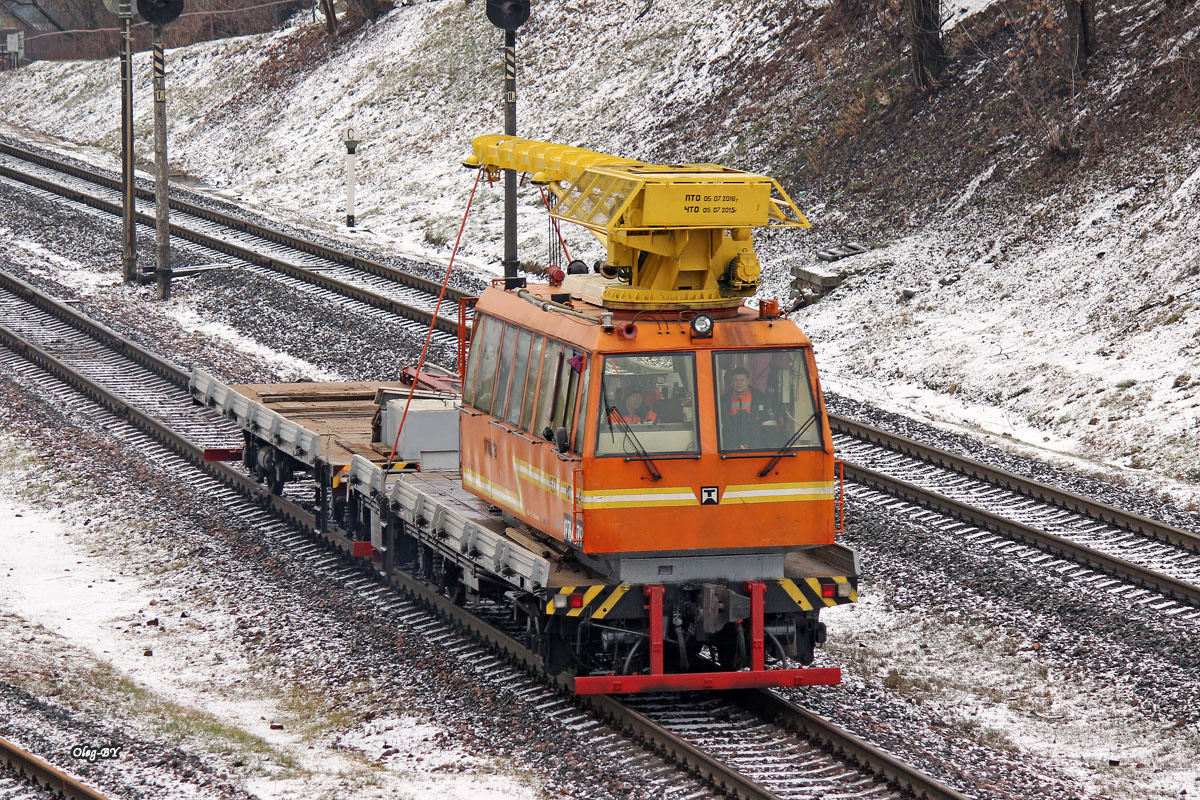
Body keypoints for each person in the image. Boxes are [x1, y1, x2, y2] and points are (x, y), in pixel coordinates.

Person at [722, 366, 769, 448]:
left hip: (755, 447)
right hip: (731, 449)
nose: (738, 383)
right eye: (735, 380)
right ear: (731, 382)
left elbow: (768, 427)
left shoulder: (759, 398)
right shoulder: (724, 400)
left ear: (748, 381)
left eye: (742, 380)